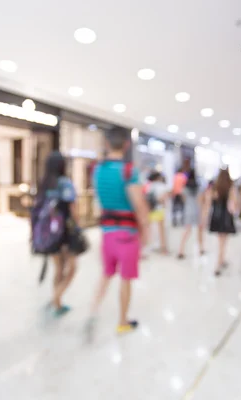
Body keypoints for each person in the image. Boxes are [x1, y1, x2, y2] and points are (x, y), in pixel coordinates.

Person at [87, 128, 149, 338]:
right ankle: (122, 321)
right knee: (125, 278)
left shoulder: (98, 170)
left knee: (106, 273)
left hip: (107, 233)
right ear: (126, 145)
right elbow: (139, 206)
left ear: (106, 144)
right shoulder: (128, 171)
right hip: (127, 234)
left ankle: (93, 310)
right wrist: (145, 233)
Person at [37, 151, 79, 317]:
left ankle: (57, 302)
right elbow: (72, 209)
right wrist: (78, 228)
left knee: (58, 268)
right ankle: (56, 298)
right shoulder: (65, 183)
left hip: (48, 233)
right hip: (65, 233)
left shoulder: (44, 184)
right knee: (72, 268)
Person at [205, 169, 237, 276]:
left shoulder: (214, 188)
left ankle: (221, 260)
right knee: (223, 242)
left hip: (217, 217)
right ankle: (218, 265)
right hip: (226, 217)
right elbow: (233, 204)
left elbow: (208, 203)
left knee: (220, 242)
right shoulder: (230, 188)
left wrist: (206, 218)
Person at [177, 169, 204, 258]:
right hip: (197, 210)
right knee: (199, 230)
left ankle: (181, 249)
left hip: (188, 209)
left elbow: (183, 199)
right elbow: (200, 200)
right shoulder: (198, 187)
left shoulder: (185, 188)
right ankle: (201, 249)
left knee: (187, 230)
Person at [147, 171, 170, 254]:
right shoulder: (162, 186)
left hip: (151, 209)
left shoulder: (149, 186)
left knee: (151, 229)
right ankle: (163, 248)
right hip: (160, 210)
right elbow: (163, 199)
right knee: (162, 230)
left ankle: (149, 247)